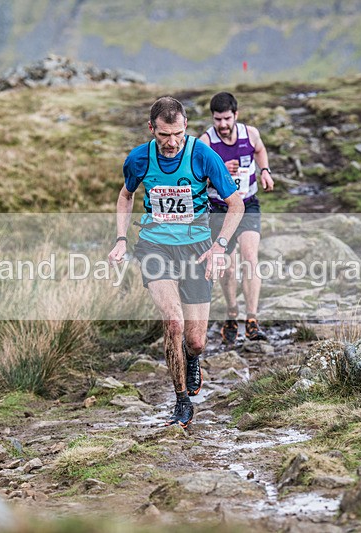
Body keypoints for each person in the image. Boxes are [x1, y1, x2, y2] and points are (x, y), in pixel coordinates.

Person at [108, 96, 244, 428]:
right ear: (151, 128)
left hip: (197, 249)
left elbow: (235, 204)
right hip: (155, 247)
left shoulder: (202, 155)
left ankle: (192, 358)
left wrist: (220, 246)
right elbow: (126, 195)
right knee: (173, 322)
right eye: (164, 136)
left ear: (186, 127)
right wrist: (121, 239)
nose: (171, 143)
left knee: (195, 340)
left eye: (177, 134)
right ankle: (181, 401)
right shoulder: (139, 158)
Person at [199, 92, 274, 344]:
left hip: (248, 203)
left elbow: (260, 150)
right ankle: (232, 312)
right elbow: (196, 179)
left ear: (236, 115)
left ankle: (252, 319)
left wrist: (264, 171)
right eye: (217, 119)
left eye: (227, 118)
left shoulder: (250, 134)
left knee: (250, 257)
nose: (222, 124)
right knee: (228, 267)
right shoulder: (205, 142)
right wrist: (217, 173)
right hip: (220, 209)